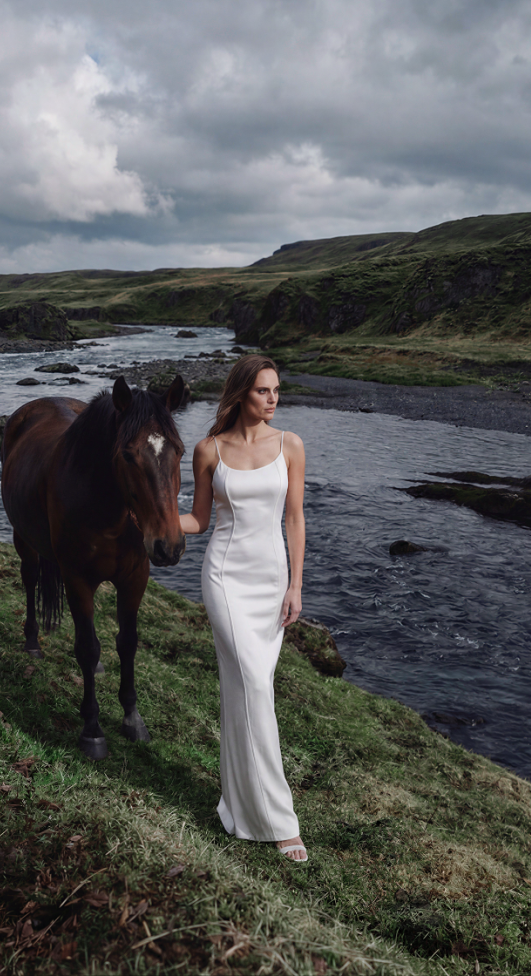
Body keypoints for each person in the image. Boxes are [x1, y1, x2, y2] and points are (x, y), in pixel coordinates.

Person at [179, 354, 308, 862]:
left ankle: (235, 805)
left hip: (272, 579)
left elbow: (295, 520)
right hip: (226, 579)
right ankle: (280, 822)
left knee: (246, 692)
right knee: (254, 686)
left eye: (277, 390)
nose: (273, 399)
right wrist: (150, 515)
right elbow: (198, 519)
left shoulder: (291, 445)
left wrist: (296, 585)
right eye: (263, 391)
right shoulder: (208, 450)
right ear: (241, 394)